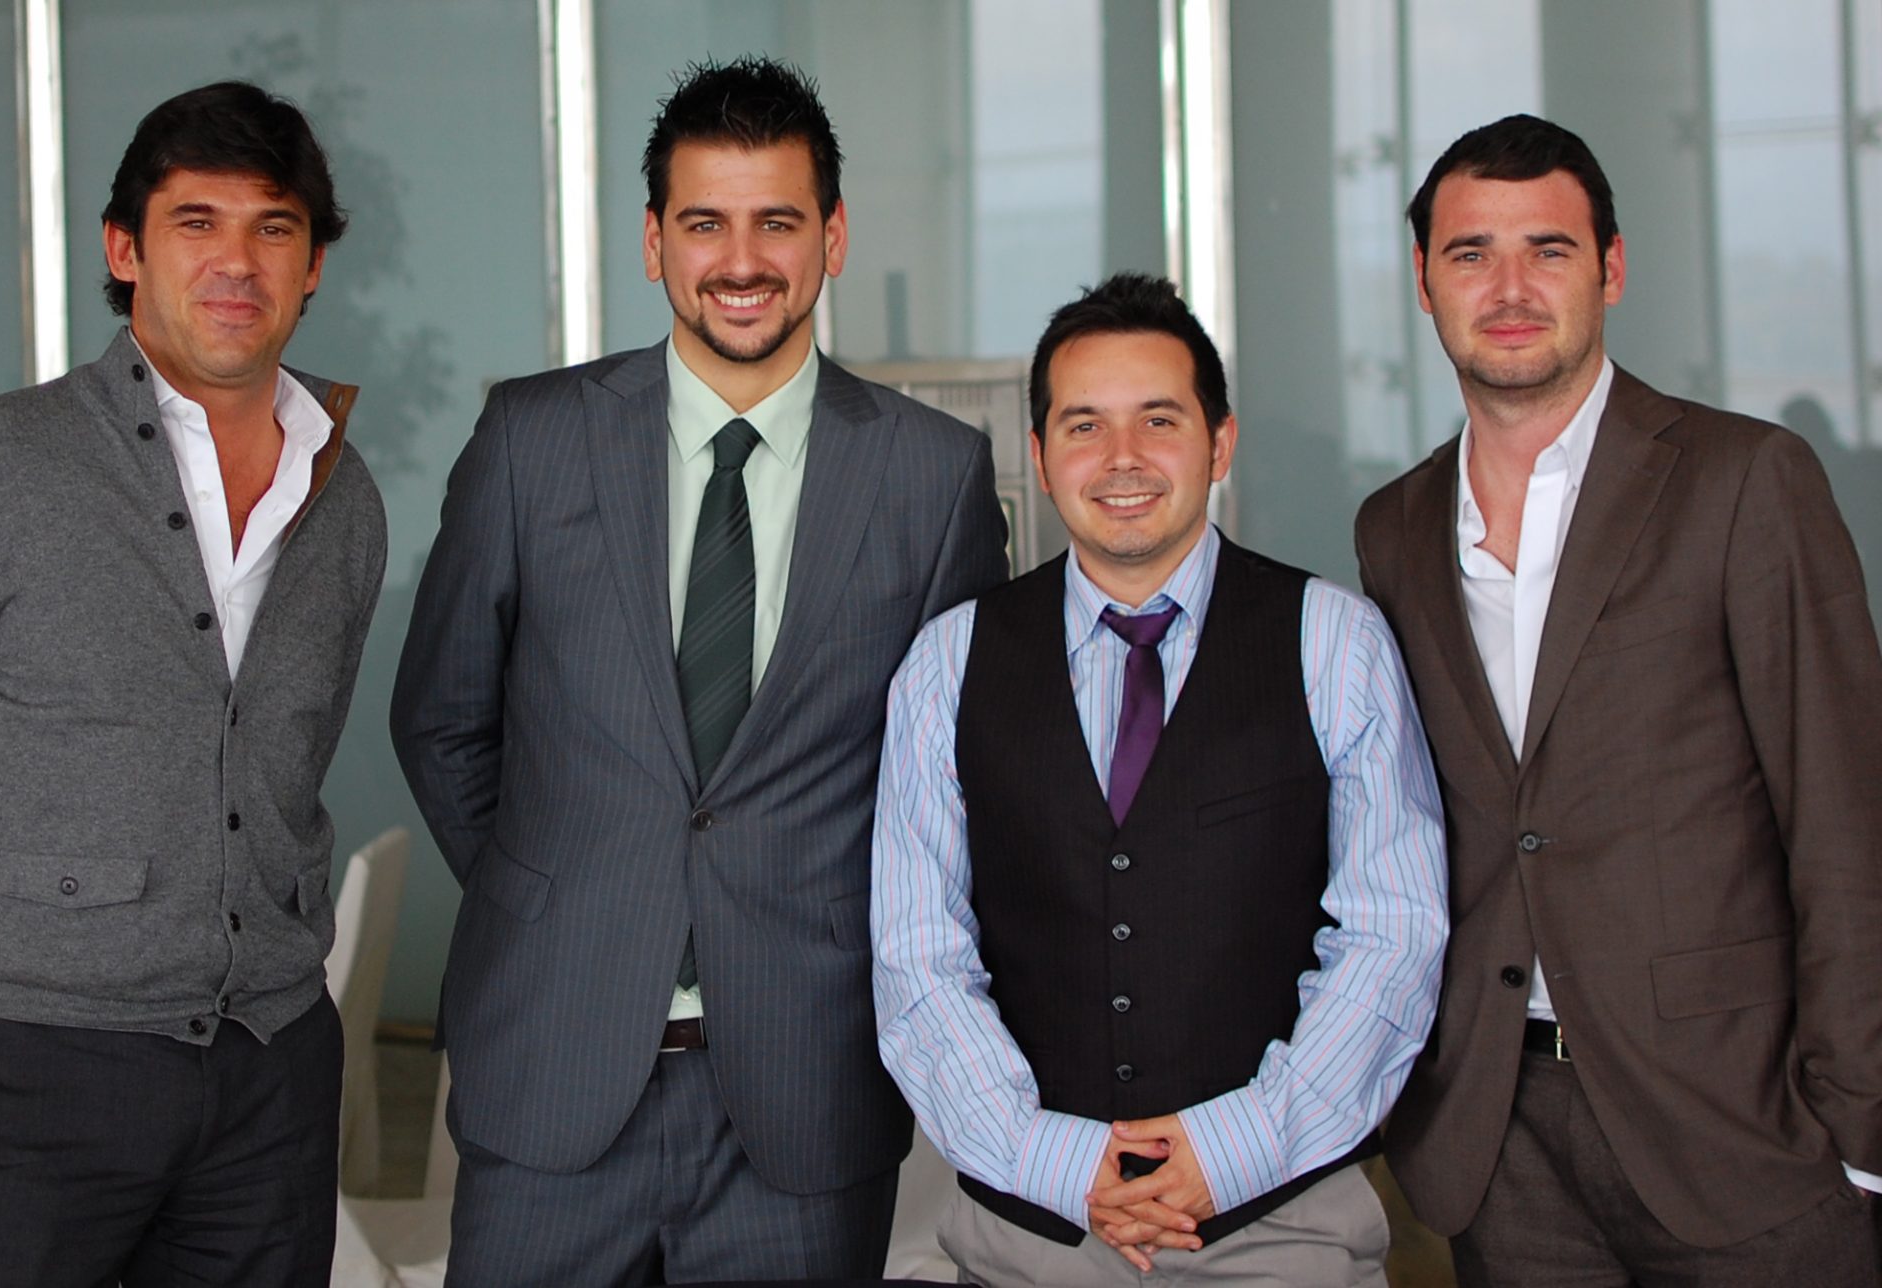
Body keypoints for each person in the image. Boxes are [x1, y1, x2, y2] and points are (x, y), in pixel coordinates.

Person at [390, 55, 1009, 1284]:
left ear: (831, 237)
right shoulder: (530, 440)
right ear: (652, 242)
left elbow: (957, 773)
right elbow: (442, 718)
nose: (741, 260)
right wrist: (559, 892)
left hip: (803, 1082)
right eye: (703, 223)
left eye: (776, 221)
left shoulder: (931, 475)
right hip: (552, 1068)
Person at [0, 80, 385, 1287]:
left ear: (312, 267)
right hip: (29, 1071)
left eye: (274, 227)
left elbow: (285, 768)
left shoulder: (344, 497)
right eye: (196, 222)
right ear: (123, 249)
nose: (236, 261)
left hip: (271, 1069)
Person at [1355, 113, 1882, 1285]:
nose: (1507, 289)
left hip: (1740, 1128)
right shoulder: (1390, 527)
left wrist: (1858, 1131)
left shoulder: (1742, 479)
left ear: (1610, 267)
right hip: (1501, 1136)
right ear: (1422, 281)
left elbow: (1847, 818)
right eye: (1469, 254)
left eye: (1546, 250)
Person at [872, 272, 1448, 1287]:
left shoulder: (1336, 642)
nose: (1122, 457)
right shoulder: (947, 662)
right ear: (1039, 456)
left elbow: (1391, 938)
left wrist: (1237, 1147)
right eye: (1083, 425)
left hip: (1281, 1228)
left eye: (1159, 420)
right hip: (1030, 1237)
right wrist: (1052, 1160)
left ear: (1219, 444)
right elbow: (918, 960)